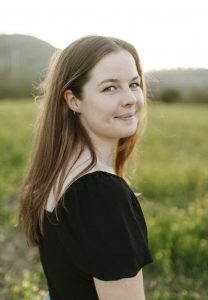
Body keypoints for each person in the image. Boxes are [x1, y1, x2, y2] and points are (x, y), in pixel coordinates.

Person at [18, 35, 153, 300]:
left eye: (134, 84)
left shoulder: (59, 168)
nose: (130, 99)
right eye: (110, 88)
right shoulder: (99, 192)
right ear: (73, 101)